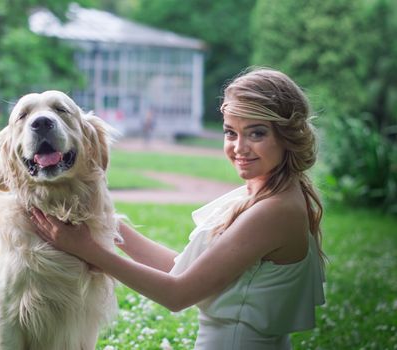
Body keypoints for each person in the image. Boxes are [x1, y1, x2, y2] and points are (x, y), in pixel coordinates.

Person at [30, 67, 326, 349]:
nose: (239, 147)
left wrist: (90, 250)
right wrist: (107, 223)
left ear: (287, 135)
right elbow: (180, 268)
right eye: (230, 133)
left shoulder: (275, 209)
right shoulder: (263, 193)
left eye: (256, 133)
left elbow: (177, 293)